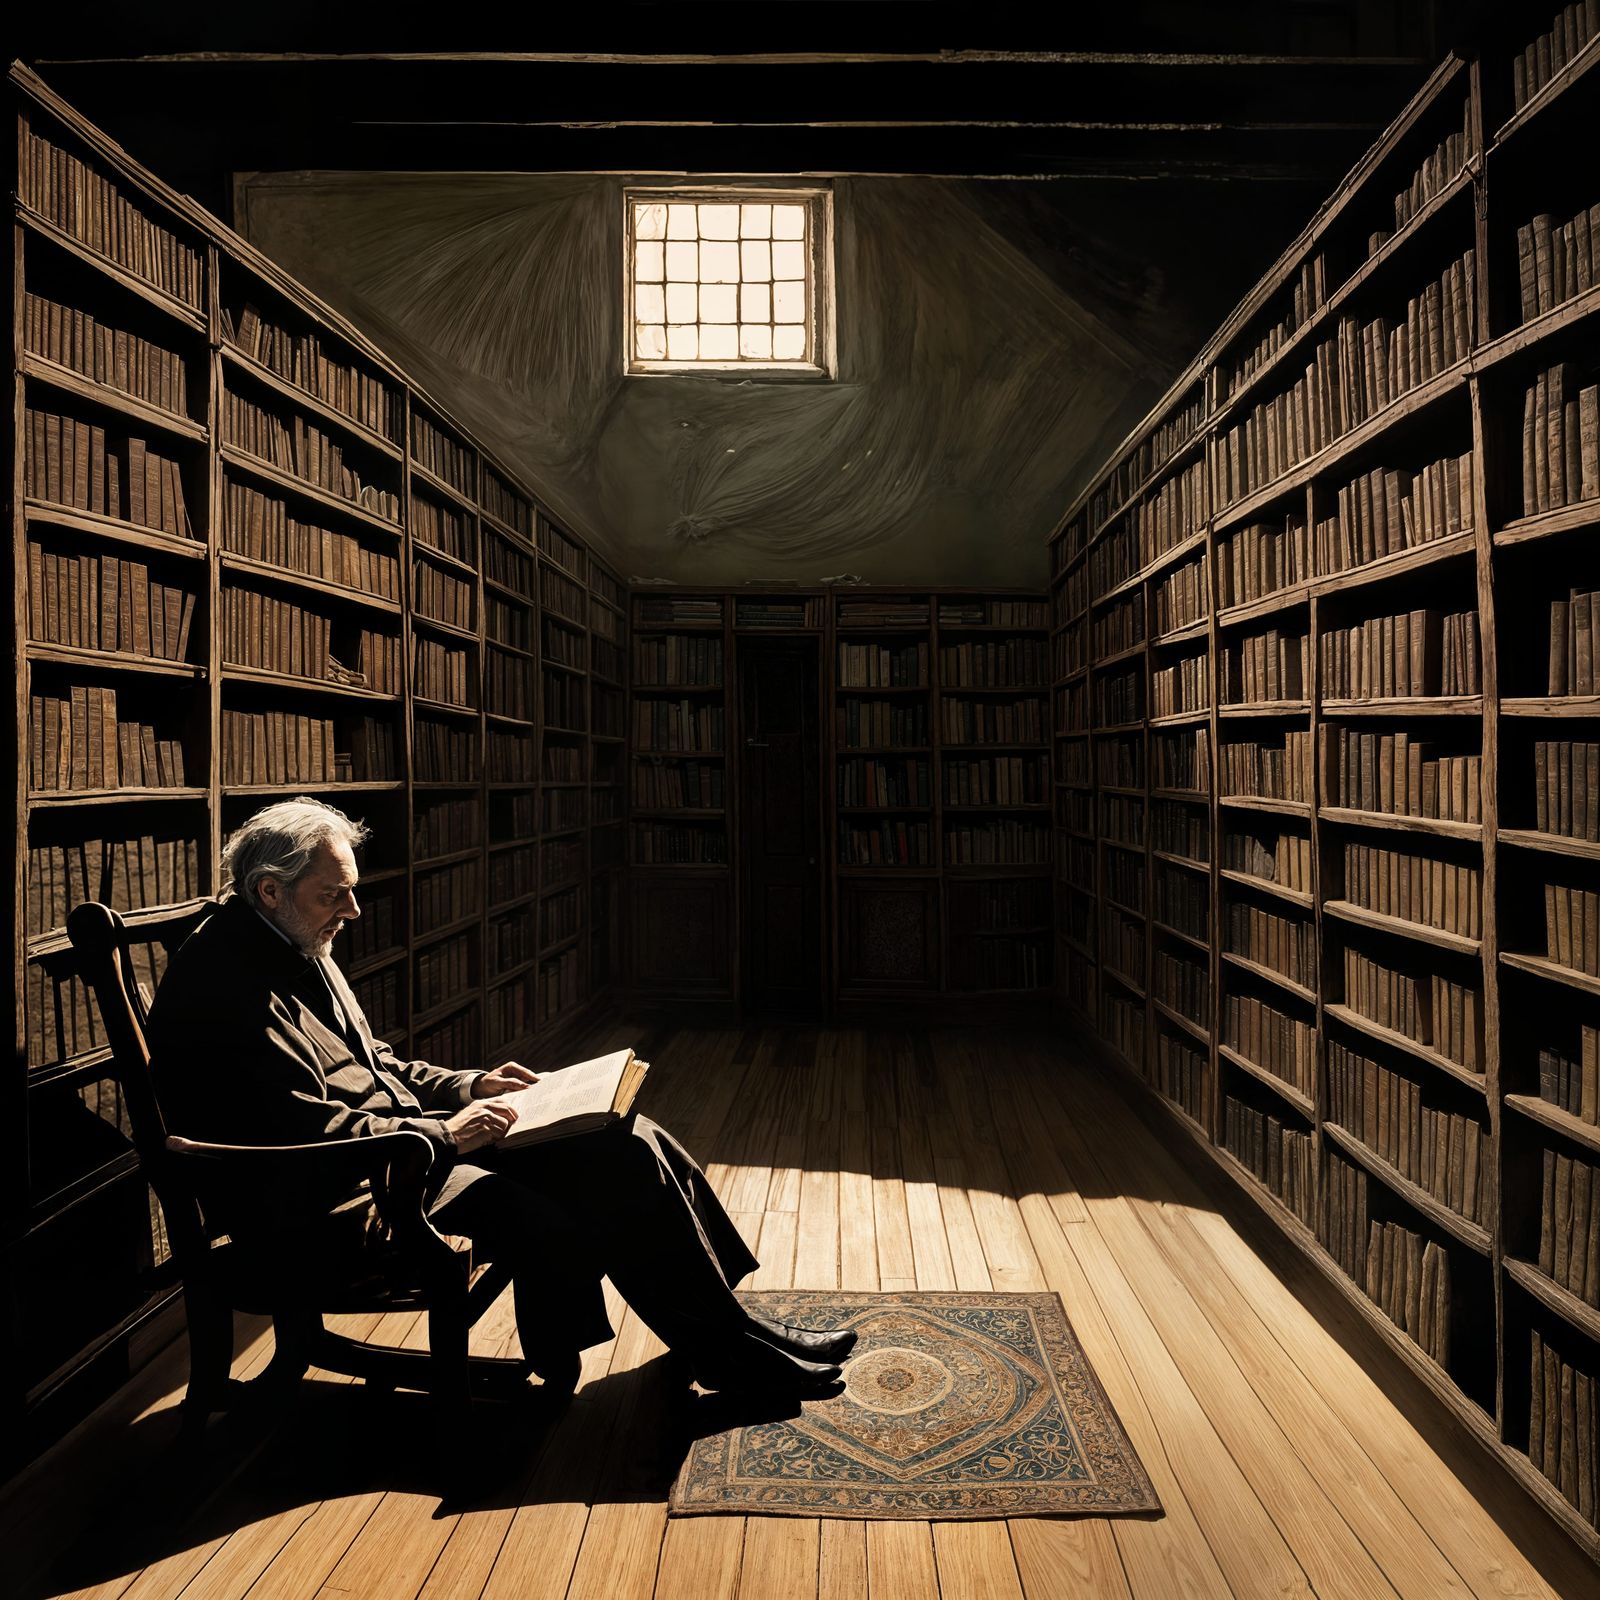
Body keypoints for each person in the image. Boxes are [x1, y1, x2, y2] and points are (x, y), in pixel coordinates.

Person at [147, 796, 854, 1398]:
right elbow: (297, 1133)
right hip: (335, 1198)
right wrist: (447, 1135)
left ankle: (732, 1329)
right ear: (270, 890)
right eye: (335, 894)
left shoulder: (293, 940)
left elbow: (375, 1065)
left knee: (629, 1137)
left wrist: (469, 1085)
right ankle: (725, 1350)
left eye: (351, 891)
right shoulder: (224, 989)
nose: (353, 910)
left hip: (398, 1151)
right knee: (592, 1178)